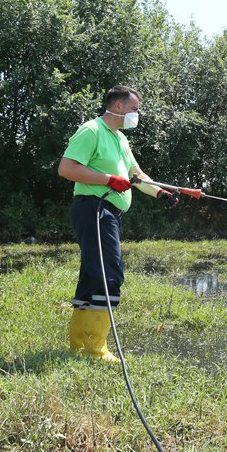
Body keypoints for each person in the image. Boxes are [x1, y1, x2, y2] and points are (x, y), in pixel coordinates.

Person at [57, 86, 177, 361]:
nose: (137, 114)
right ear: (119, 107)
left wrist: (160, 192)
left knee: (92, 274)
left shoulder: (120, 139)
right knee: (110, 274)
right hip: (94, 208)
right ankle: (96, 349)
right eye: (135, 109)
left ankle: (79, 345)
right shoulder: (92, 131)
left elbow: (136, 174)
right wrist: (109, 179)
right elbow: (67, 168)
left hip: (108, 212)